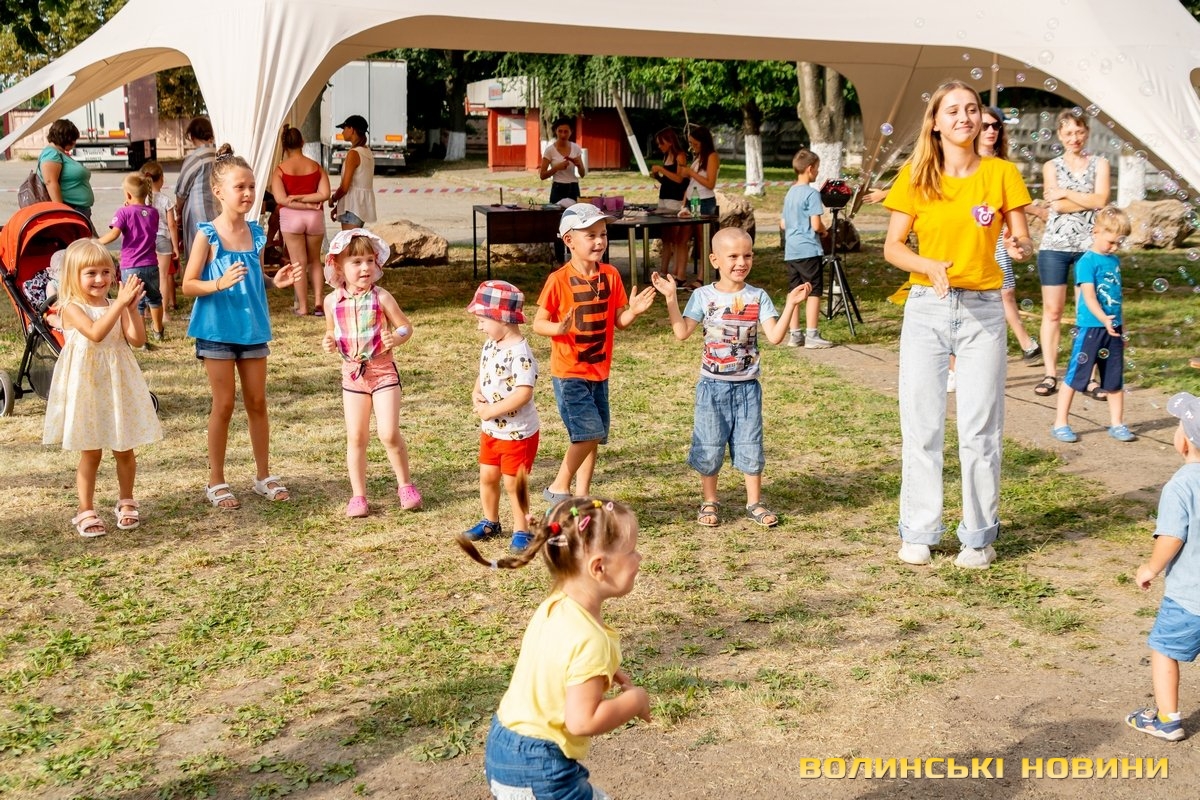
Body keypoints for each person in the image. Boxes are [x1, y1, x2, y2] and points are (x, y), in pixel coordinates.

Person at [882, 80, 1034, 570]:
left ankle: (978, 538)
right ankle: (919, 532)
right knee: (922, 425)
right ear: (936, 122)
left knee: (980, 429)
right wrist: (927, 265)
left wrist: (1019, 246)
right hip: (927, 307)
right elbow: (893, 247)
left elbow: (1020, 238)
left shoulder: (1002, 173)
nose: (964, 117)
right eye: (953, 110)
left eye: (971, 108)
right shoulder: (916, 175)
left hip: (984, 311)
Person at [457, 482, 651, 800]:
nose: (639, 557)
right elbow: (582, 721)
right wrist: (635, 701)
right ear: (599, 567)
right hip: (539, 766)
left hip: (505, 742)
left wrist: (604, 669)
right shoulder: (590, 640)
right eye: (631, 551)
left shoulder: (557, 604)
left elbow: (559, 655)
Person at [651, 228, 810, 528]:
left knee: (751, 444)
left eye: (747, 255)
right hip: (712, 387)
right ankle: (710, 501)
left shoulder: (758, 296)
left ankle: (754, 502)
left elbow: (776, 336)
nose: (741, 262)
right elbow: (681, 332)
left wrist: (791, 304)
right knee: (710, 444)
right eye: (733, 256)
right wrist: (671, 298)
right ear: (715, 260)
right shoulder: (702, 296)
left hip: (748, 388)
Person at [182, 144, 302, 509]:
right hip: (216, 331)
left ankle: (263, 475)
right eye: (240, 187)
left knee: (257, 402)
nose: (248, 193)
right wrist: (217, 283)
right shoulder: (208, 234)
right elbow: (188, 284)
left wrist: (273, 281)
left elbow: (252, 277)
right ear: (219, 192)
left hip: (252, 329)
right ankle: (216, 480)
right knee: (224, 404)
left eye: (251, 186)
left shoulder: (256, 233)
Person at [534, 203, 656, 506]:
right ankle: (558, 487)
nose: (599, 241)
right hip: (570, 373)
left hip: (599, 373)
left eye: (603, 234)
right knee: (588, 432)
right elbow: (538, 323)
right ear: (569, 240)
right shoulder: (558, 280)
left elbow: (619, 321)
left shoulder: (611, 275)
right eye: (590, 235)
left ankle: (582, 494)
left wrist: (634, 311)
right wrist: (558, 328)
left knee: (594, 436)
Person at [42, 239, 162, 537]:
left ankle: (126, 500)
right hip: (88, 385)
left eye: (106, 272)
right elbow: (95, 333)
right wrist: (120, 304)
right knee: (91, 451)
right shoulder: (71, 307)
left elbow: (136, 339)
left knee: (124, 447)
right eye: (91, 273)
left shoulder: (114, 305)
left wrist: (130, 309)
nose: (100, 279)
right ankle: (85, 509)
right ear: (74, 276)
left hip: (117, 381)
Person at [321, 228, 420, 517]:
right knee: (356, 437)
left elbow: (405, 327)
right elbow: (332, 331)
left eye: (369, 261)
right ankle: (358, 496)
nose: (365, 268)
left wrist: (396, 339)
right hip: (353, 376)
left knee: (388, 433)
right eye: (356, 262)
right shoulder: (332, 302)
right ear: (338, 267)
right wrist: (329, 340)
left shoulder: (382, 297)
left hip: (383, 373)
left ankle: (405, 485)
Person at [1125, 391, 1200, 742]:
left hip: (1189, 597)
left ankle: (1168, 720)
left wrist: (1150, 568)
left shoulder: (1180, 486)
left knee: (1164, 651)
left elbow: (1171, 537)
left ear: (1184, 441)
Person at [1034, 111, 1111, 398]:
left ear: (1086, 132)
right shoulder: (1050, 166)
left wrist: (1065, 192)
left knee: (1087, 312)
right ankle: (1050, 374)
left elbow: (1101, 199)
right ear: (1059, 135)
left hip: (1088, 248)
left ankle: (1086, 377)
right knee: (1052, 311)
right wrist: (1084, 200)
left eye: (1079, 132)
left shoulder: (1100, 164)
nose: (1074, 138)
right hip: (1054, 246)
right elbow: (1057, 207)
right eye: (1068, 133)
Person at [463, 280, 540, 551]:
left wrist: (490, 411)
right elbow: (484, 372)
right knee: (488, 476)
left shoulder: (520, 354)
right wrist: (477, 392)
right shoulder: (491, 344)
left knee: (512, 484)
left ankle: (522, 530)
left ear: (503, 318)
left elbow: (523, 393)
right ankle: (490, 521)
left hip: (517, 433)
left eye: (483, 320)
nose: (480, 327)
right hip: (492, 431)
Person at [1050, 207, 1135, 443]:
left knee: (1114, 378)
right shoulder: (1086, 262)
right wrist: (1103, 319)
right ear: (1096, 232)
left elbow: (1116, 298)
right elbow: (1088, 296)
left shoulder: (1114, 261)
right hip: (1091, 328)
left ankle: (1117, 423)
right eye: (1111, 242)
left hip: (1113, 328)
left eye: (1119, 243)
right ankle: (1060, 423)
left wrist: (1122, 326)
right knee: (1076, 376)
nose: (1115, 247)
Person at [978, 107, 1041, 367]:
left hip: (997, 236)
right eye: (985, 126)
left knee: (1006, 291)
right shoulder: (961, 166)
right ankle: (954, 364)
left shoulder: (1003, 167)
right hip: (973, 237)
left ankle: (1026, 345)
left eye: (996, 126)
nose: (991, 130)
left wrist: (1019, 239)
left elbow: (1012, 203)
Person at [271, 125, 331, 316]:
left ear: (284, 146)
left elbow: (281, 200)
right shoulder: (316, 167)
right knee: (315, 261)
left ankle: (303, 307)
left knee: (298, 263)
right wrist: (309, 203)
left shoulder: (280, 170)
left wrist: (297, 199)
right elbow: (325, 194)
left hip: (291, 218)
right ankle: (319, 303)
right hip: (315, 218)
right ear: (302, 142)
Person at [98, 172, 163, 343]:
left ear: (127, 194)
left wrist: (95, 242)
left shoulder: (123, 212)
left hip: (131, 265)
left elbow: (114, 234)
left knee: (135, 302)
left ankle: (142, 338)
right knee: (155, 298)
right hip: (151, 264)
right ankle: (158, 330)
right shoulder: (153, 212)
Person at [779, 148, 832, 349]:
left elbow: (783, 223)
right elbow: (816, 225)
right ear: (810, 169)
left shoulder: (790, 192)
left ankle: (795, 334)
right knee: (814, 291)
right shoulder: (812, 193)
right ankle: (812, 335)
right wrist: (825, 231)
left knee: (795, 290)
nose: (817, 172)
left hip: (791, 250)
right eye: (817, 168)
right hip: (809, 249)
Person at [539, 117, 586, 265]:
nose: (563, 134)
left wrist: (579, 165)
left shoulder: (575, 148)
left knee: (576, 224)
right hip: (558, 188)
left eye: (566, 131)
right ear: (556, 131)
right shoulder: (550, 150)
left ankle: (575, 259)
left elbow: (583, 174)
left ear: (571, 132)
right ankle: (560, 260)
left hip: (573, 187)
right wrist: (556, 168)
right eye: (560, 131)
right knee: (558, 224)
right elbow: (542, 175)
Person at [139, 160, 181, 319]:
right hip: (162, 239)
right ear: (161, 179)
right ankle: (163, 313)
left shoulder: (140, 200)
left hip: (144, 240)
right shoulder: (166, 200)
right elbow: (172, 225)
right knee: (162, 276)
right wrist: (175, 246)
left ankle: (146, 310)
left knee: (145, 275)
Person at [649, 126, 691, 280]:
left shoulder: (680, 156)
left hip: (675, 199)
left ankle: (675, 271)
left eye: (661, 143)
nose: (659, 146)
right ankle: (663, 269)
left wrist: (662, 169)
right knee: (665, 237)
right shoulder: (666, 156)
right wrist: (657, 176)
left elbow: (679, 179)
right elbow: (668, 181)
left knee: (675, 237)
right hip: (664, 197)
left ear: (670, 141)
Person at [175, 116, 218, 258]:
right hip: (219, 210)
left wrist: (178, 211)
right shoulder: (219, 154)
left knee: (197, 254)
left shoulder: (196, 157)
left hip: (198, 213)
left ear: (192, 136)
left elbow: (182, 190)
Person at [38, 119, 95, 220]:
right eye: (73, 140)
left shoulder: (58, 152)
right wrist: (61, 212)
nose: (74, 143)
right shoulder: (51, 154)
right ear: (66, 138)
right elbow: (50, 182)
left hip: (77, 210)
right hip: (70, 210)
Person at [329, 114, 377, 231]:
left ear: (352, 129)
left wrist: (333, 198)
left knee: (349, 242)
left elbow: (345, 187)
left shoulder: (354, 154)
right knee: (355, 241)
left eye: (344, 128)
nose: (342, 132)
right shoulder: (367, 151)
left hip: (352, 208)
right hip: (360, 208)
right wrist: (339, 207)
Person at [682, 124, 721, 217]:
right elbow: (692, 183)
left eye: (695, 144)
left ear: (704, 143)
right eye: (691, 143)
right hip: (691, 199)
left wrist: (691, 172)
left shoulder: (712, 156)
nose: (692, 146)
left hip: (703, 200)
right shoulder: (699, 157)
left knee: (698, 226)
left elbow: (710, 184)